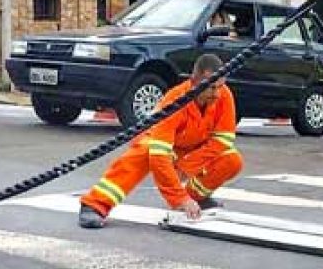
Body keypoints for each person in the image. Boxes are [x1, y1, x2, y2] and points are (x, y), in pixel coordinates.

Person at [79, 53, 243, 228]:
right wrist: (178, 198)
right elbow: (159, 154)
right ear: (195, 82)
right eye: (212, 88)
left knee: (232, 160)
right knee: (141, 154)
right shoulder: (175, 99)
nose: (217, 94)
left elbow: (222, 140)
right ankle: (95, 204)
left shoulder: (224, 96)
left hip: (193, 147)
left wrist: (187, 167)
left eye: (221, 86)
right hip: (163, 143)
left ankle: (195, 197)